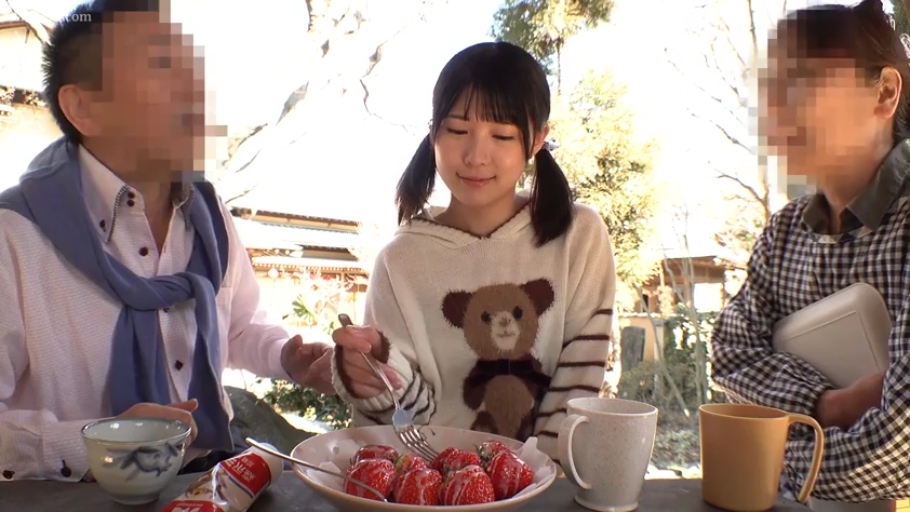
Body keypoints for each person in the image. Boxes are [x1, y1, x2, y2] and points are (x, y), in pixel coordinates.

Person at [0, 0, 333, 482]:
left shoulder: (209, 215)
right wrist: (98, 442)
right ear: (84, 108)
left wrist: (288, 357)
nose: (194, 88)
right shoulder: (14, 236)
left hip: (208, 482)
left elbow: (239, 326)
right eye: (160, 67)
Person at [329, 41, 616, 460]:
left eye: (502, 135)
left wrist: (533, 479)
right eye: (458, 130)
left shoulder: (578, 237)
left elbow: (577, 385)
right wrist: (373, 376)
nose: (475, 156)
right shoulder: (400, 260)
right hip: (435, 482)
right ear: (434, 132)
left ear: (538, 139)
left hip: (544, 484)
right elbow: (406, 420)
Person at [710, 0, 910, 505]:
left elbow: (900, 444)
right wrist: (828, 404)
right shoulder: (783, 234)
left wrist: (763, 455)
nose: (776, 112)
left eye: (802, 83)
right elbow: (730, 350)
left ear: (884, 92)